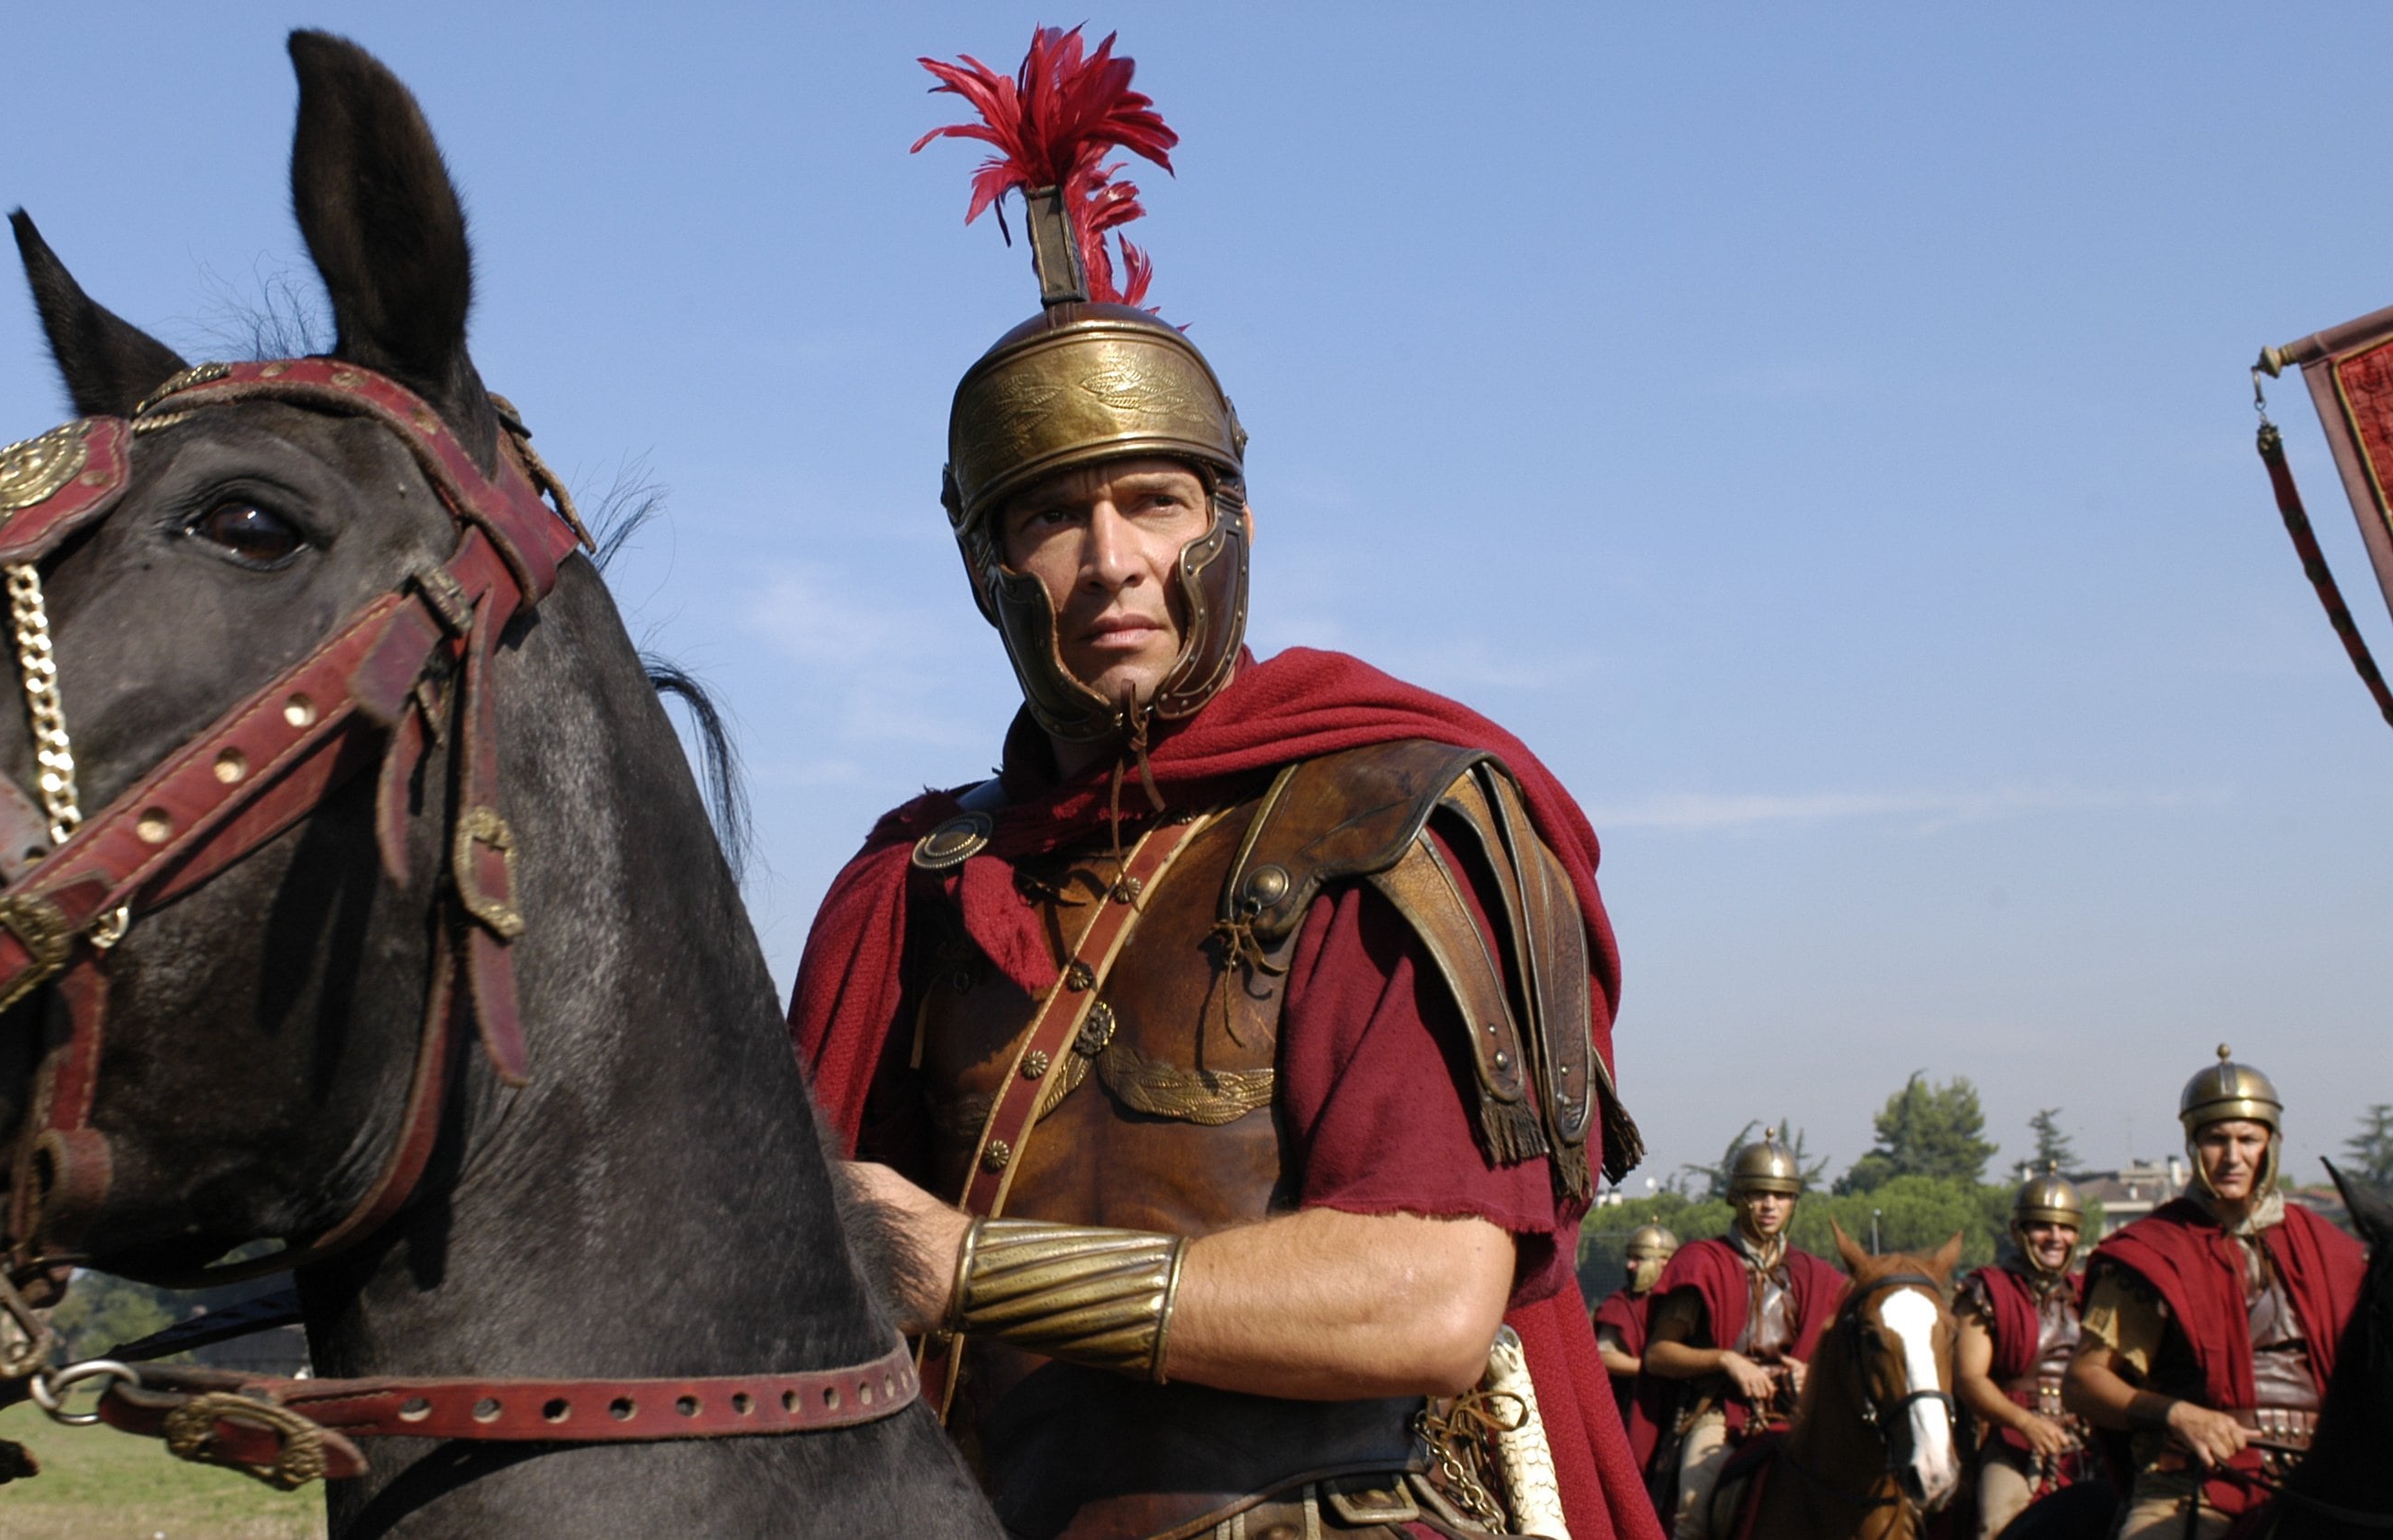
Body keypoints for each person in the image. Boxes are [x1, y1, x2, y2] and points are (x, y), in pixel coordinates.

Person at [787, 25, 1658, 1540]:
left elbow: (1425, 1295)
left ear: (1230, 529)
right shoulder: (913, 891)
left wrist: (967, 1267)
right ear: (987, 571)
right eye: (1050, 518)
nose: (1111, 560)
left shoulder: (1382, 817)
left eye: (1154, 501)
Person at [2063, 1048, 2367, 1540]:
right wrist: (2175, 1414)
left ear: (2272, 1144)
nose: (2232, 1157)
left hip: (2327, 1479)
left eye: (2248, 1139)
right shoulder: (2151, 1253)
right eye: (2216, 1139)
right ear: (2192, 1144)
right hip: (2196, 1480)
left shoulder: (2334, 1251)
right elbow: (2083, 1382)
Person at [1628, 1133, 1848, 1540]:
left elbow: (1845, 1357)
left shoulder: (1815, 1275)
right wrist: (1726, 1360)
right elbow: (1658, 1355)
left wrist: (1812, 1373)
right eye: (1758, 1194)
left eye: (1781, 1196)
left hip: (1799, 1413)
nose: (1769, 1205)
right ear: (1737, 1197)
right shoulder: (1701, 1263)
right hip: (1720, 1412)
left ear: (1794, 1201)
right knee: (1693, 1513)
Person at [1952, 1169, 2090, 1540]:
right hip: (2012, 1441)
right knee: (1998, 1526)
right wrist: (2026, 1424)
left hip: (2087, 1440)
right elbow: (1969, 1378)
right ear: (2019, 1231)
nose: (2055, 1237)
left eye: (2065, 1228)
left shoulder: (2089, 1293)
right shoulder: (1985, 1292)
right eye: (2043, 1226)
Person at [1596, 1225, 1678, 1426]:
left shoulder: (1682, 1300)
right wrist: (1651, 1367)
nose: (1629, 1265)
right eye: (1630, 1258)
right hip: (1634, 1402)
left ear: (1664, 1262)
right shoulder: (1619, 1305)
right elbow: (1603, 1356)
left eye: (1638, 1258)